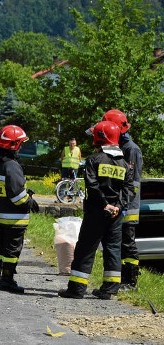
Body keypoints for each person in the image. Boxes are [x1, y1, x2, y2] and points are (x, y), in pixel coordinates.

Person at [58, 121, 134, 299]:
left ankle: (76, 289)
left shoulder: (94, 160)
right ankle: (109, 290)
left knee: (86, 248)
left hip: (96, 212)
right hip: (115, 214)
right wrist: (117, 206)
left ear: (100, 138)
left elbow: (92, 186)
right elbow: (129, 190)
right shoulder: (125, 165)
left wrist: (104, 204)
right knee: (113, 249)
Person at [0, 125, 38, 294]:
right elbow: (17, 197)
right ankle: (7, 280)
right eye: (19, 144)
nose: (20, 147)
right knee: (12, 250)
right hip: (15, 218)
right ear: (14, 145)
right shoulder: (12, 166)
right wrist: (31, 202)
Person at [102, 109, 143, 289]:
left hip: (128, 205)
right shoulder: (119, 146)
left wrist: (122, 204)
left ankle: (131, 280)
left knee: (128, 243)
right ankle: (118, 279)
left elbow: (132, 182)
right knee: (116, 242)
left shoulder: (131, 149)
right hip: (119, 203)